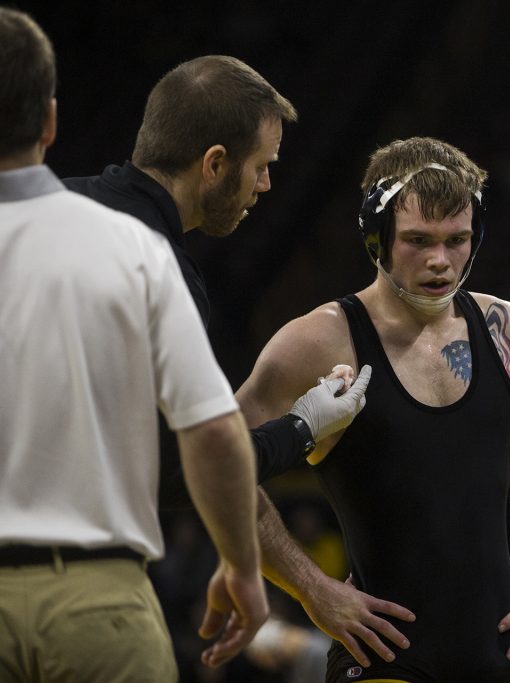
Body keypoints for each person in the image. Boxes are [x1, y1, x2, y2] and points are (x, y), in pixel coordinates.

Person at [234, 136, 510, 682]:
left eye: (457, 240)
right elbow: (212, 464)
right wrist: (310, 587)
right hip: (383, 661)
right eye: (418, 240)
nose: (441, 261)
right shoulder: (320, 342)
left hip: (503, 659)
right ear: (377, 239)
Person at [0, 7, 267, 679]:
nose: (266, 183)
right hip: (95, 599)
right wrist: (241, 564)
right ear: (50, 121)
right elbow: (209, 437)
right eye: (262, 166)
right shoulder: (132, 248)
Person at [62, 54, 368, 509]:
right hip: (57, 559)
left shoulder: (38, 206)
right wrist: (303, 426)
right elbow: (180, 476)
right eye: (262, 165)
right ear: (215, 164)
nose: (265, 184)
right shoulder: (164, 278)